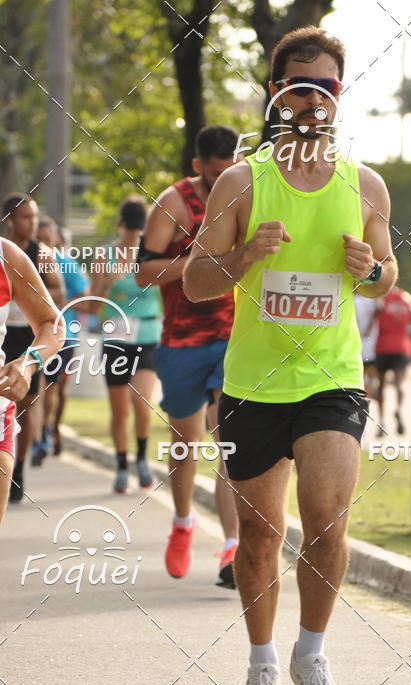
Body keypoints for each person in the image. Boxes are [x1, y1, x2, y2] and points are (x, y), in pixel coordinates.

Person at [183, 26, 397, 685]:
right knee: (261, 536)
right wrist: (245, 253)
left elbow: (384, 276)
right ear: (275, 94)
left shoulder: (364, 184)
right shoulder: (243, 181)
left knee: (329, 523)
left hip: (331, 376)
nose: (310, 101)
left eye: (324, 89)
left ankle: (312, 653)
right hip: (253, 382)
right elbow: (192, 282)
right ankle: (262, 666)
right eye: (297, 87)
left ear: (339, 97)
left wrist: (370, 267)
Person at [136, 126, 240, 588]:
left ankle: (232, 550)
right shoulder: (173, 204)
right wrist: (203, 260)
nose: (222, 181)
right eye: (214, 173)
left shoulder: (246, 192)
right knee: (186, 443)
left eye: (228, 170)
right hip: (182, 339)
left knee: (230, 441)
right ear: (198, 166)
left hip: (234, 336)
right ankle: (182, 521)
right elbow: (144, 273)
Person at [89, 197, 162, 493]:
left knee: (142, 401)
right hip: (116, 338)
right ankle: (121, 467)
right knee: (120, 410)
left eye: (139, 232)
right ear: (120, 227)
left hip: (146, 337)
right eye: (129, 232)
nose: (134, 238)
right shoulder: (103, 256)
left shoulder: (152, 256)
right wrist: (108, 281)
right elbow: (92, 305)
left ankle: (142, 458)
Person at [1, 194, 65, 501]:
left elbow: (58, 294)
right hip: (8, 332)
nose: (33, 223)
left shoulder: (36, 254)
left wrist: (24, 288)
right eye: (26, 217)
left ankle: (19, 467)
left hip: (25, 338)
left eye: (35, 217)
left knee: (25, 405)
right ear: (10, 219)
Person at [34, 217, 88, 460]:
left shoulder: (67, 264)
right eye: (40, 240)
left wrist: (56, 304)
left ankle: (52, 428)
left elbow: (85, 296)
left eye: (48, 239)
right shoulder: (26, 262)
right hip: (34, 335)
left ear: (56, 239)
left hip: (66, 336)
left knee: (58, 389)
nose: (45, 244)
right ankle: (42, 433)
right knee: (45, 387)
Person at [374, 285, 411, 436]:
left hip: (382, 346)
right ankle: (399, 409)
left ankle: (381, 422)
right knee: (400, 382)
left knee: (381, 385)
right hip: (401, 347)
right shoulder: (406, 297)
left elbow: (372, 319)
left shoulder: (380, 298)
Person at [354, 292, 379, 400]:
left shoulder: (356, 300)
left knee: (364, 372)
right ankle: (369, 391)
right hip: (367, 345)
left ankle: (367, 392)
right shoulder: (370, 299)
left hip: (363, 344)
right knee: (368, 370)